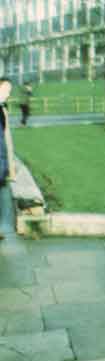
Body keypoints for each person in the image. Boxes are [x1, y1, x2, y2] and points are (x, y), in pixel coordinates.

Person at [0, 77, 16, 241]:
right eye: (5, 90)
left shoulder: (2, 110)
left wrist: (9, 165)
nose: (8, 94)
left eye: (9, 91)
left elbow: (4, 138)